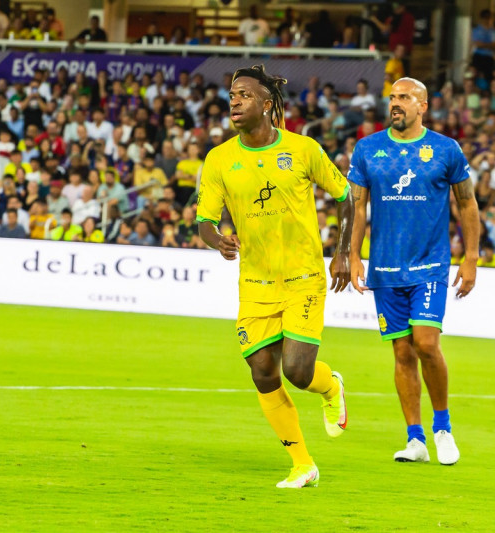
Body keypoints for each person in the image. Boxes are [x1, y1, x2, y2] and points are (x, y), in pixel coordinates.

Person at [197, 64, 353, 489]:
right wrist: (218, 240)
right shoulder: (219, 159)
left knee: (297, 371)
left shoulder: (303, 150)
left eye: (245, 94)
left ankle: (329, 385)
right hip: (255, 283)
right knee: (263, 371)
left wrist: (343, 251)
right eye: (232, 94)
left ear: (267, 105)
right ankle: (303, 464)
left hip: (303, 275)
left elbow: (346, 196)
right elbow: (205, 222)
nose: (234, 100)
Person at [348, 77, 479, 466]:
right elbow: (357, 208)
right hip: (385, 267)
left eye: (404, 98)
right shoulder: (367, 149)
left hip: (429, 264)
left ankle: (442, 428)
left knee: (425, 343)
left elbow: (468, 203)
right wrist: (353, 256)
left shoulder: (445, 149)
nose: (396, 104)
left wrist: (470, 257)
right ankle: (415, 439)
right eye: (392, 97)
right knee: (402, 352)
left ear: (423, 105)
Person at [471, 10, 495, 83]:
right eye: (485, 18)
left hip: (489, 57)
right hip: (478, 56)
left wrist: (483, 45)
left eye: (489, 18)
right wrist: (489, 45)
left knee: (489, 77)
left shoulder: (492, 31)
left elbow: (494, 45)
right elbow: (477, 44)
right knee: (474, 75)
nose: (487, 20)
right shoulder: (477, 30)